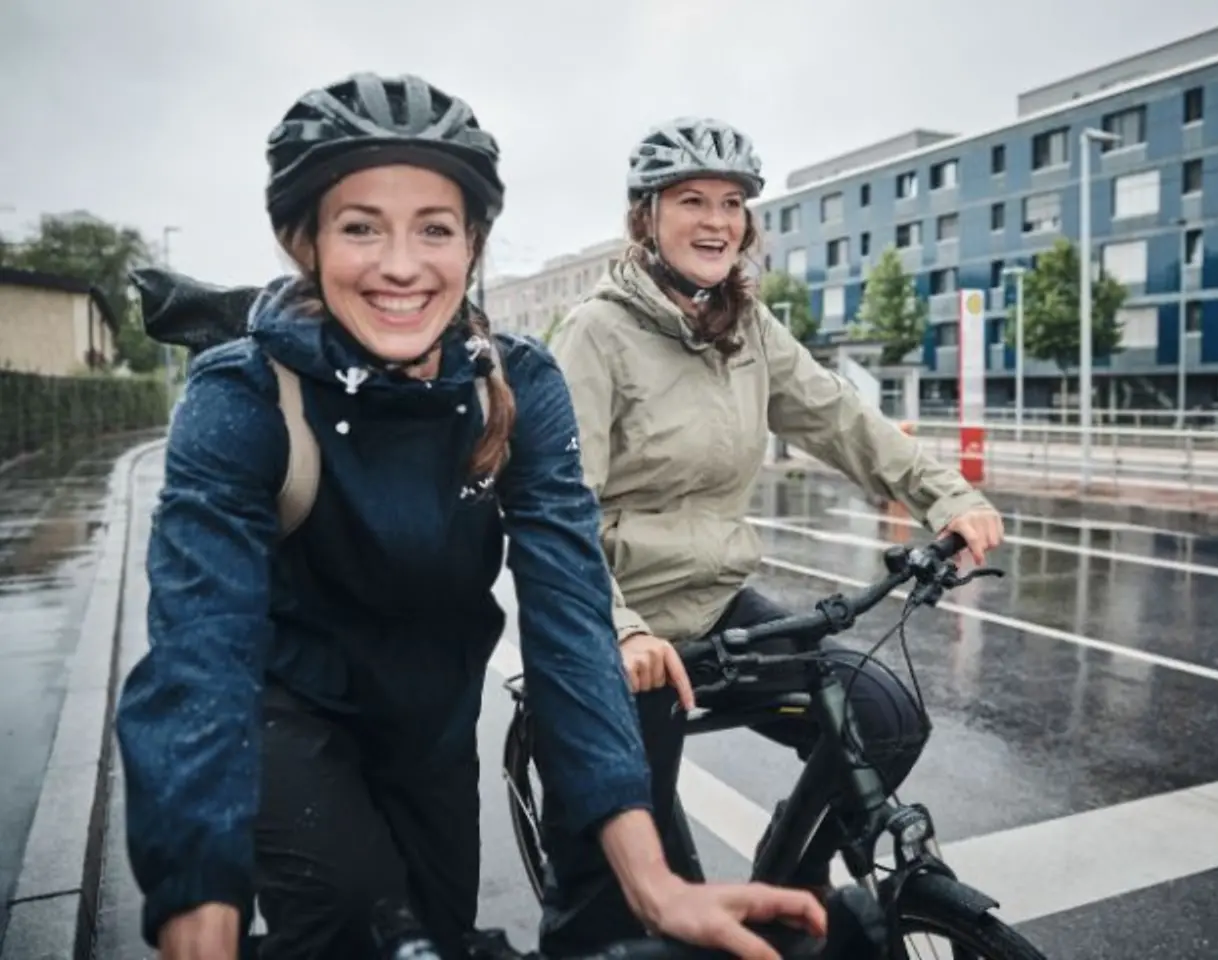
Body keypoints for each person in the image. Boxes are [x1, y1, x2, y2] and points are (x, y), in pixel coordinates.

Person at [113, 76, 823, 960]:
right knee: (345, 916)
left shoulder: (519, 386)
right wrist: (199, 914)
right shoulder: (243, 394)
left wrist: (653, 885)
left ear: (474, 242)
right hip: (285, 711)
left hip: (431, 725)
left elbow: (570, 620)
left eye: (435, 229)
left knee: (441, 933)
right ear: (305, 241)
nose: (402, 264)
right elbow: (197, 660)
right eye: (361, 225)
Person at [541, 117, 1004, 948]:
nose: (717, 220)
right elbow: (559, 509)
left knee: (883, 716)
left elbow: (839, 417)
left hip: (714, 604)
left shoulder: (746, 326)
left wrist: (945, 495)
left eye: (732, 203)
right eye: (691, 200)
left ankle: (788, 887)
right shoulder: (594, 335)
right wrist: (623, 629)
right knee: (645, 902)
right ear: (645, 216)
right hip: (619, 627)